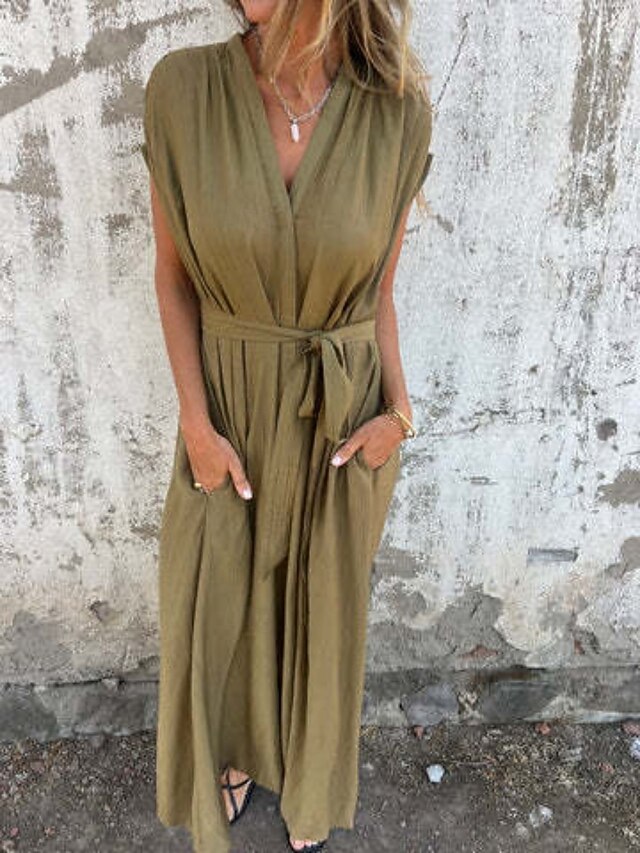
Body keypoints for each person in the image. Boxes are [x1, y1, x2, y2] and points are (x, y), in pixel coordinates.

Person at [140, 1, 433, 850]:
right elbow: (172, 277)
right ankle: (233, 751)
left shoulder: (396, 113)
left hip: (342, 417)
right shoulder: (183, 90)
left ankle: (307, 777)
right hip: (229, 406)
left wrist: (399, 413)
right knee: (219, 605)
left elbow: (378, 291)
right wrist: (196, 424)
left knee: (319, 616)